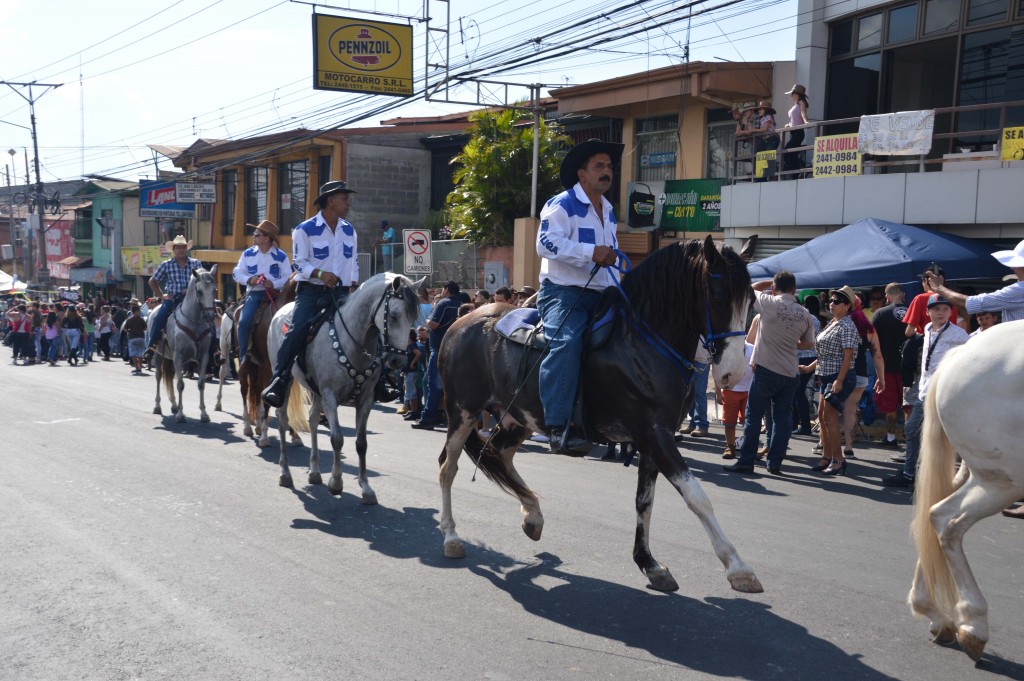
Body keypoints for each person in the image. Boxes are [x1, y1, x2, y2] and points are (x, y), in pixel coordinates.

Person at [535, 138, 622, 453]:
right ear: (582, 174)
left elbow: (612, 256)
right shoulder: (562, 204)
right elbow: (544, 244)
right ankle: (557, 427)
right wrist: (591, 252)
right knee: (567, 342)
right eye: (599, 166)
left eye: (609, 166)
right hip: (563, 293)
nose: (606, 171)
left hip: (604, 293)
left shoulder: (609, 211)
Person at [262, 180, 360, 408]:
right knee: (297, 330)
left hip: (342, 292)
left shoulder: (349, 230)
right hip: (311, 292)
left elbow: (353, 262)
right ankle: (279, 380)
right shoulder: (304, 229)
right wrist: (320, 273)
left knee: (367, 323)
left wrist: (354, 287)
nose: (348, 202)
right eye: (344, 197)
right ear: (330, 201)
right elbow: (298, 263)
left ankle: (379, 378)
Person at [723, 271, 816, 475]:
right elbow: (809, 343)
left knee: (754, 416)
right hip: (790, 372)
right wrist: (791, 343)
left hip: (766, 370)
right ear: (794, 289)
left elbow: (750, 288)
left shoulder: (768, 302)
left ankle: (747, 460)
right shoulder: (805, 314)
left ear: (774, 289)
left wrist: (768, 283)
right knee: (782, 418)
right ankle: (774, 463)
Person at [883, 294, 969, 487]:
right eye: (937, 309)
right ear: (928, 312)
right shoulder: (928, 329)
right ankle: (911, 474)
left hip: (944, 393)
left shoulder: (959, 334)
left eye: (945, 309)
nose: (941, 313)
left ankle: (943, 479)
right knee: (915, 431)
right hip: (925, 391)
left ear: (951, 312)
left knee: (941, 436)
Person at [803, 285, 860, 476]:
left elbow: (848, 356)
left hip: (839, 377)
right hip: (827, 376)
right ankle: (827, 456)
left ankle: (839, 460)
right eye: (830, 301)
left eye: (836, 301)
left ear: (847, 306)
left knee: (830, 418)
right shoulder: (834, 322)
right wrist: (809, 368)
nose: (831, 304)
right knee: (822, 417)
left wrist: (839, 381)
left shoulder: (847, 325)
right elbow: (824, 354)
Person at [231, 220, 291, 368]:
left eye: (257, 234)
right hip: (255, 294)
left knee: (290, 322)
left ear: (266, 238)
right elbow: (236, 272)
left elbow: (288, 278)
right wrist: (249, 279)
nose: (254, 237)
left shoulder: (281, 256)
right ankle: (243, 354)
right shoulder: (247, 254)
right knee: (244, 322)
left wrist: (273, 284)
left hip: (276, 295)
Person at [925, 238, 1024, 324]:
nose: (1012, 268)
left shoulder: (1020, 290)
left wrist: (939, 288)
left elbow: (971, 303)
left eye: (1016, 264)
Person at [411, 281, 462, 430]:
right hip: (457, 349)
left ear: (446, 290)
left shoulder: (443, 304)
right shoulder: (461, 303)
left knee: (433, 384)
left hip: (440, 349)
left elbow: (434, 324)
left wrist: (427, 320)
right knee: (442, 384)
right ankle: (441, 413)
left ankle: (428, 417)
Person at [147, 235, 203, 352]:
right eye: (178, 248)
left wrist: (191, 290)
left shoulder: (196, 263)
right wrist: (162, 295)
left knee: (209, 316)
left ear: (186, 249)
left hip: (192, 299)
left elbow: (202, 281)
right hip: (173, 298)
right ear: (173, 250)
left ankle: (214, 349)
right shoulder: (166, 265)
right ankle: (152, 346)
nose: (181, 250)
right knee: (159, 317)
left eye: (183, 247)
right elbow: (152, 281)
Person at [869, 283, 909, 447]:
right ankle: (910, 440)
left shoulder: (880, 313)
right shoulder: (912, 312)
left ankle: (891, 437)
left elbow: (871, 340)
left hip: (886, 366)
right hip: (909, 367)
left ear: (888, 296)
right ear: (903, 295)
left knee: (890, 405)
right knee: (909, 405)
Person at [715, 340, 754, 459]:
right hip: (730, 390)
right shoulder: (726, 349)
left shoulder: (752, 349)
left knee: (749, 423)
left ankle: (750, 448)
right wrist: (718, 393)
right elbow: (718, 371)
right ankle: (730, 447)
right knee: (729, 422)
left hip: (749, 391)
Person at [791, 295, 822, 435]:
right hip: (812, 357)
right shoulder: (814, 318)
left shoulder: (799, 316)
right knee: (797, 390)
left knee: (797, 391)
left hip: (801, 357)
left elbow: (795, 338)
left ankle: (803, 425)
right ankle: (796, 423)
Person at [904, 264, 960, 337]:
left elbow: (909, 332)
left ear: (926, 281)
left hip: (926, 344)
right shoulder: (951, 299)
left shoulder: (920, 299)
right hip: (948, 344)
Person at [782, 85, 809, 175]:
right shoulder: (795, 105)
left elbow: (803, 113)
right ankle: (796, 172)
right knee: (791, 153)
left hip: (798, 132)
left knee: (787, 152)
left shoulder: (801, 102)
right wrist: (789, 125)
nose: (791, 95)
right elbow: (794, 119)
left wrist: (806, 121)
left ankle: (796, 173)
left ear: (797, 94)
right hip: (793, 132)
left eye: (792, 93)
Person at [124, 304, 149, 375]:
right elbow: (145, 328)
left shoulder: (129, 320)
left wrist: (129, 330)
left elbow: (125, 329)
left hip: (132, 338)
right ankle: (140, 368)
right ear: (138, 311)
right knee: (140, 354)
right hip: (141, 337)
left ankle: (137, 368)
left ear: (132, 312)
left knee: (133, 354)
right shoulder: (141, 319)